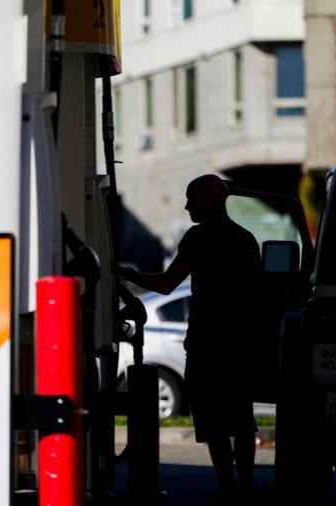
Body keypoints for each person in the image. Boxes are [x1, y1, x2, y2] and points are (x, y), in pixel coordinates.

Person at [111, 173, 261, 503]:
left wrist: (123, 273)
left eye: (192, 199)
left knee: (213, 420)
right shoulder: (246, 239)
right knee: (241, 415)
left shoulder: (198, 238)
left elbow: (166, 284)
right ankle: (247, 482)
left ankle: (226, 484)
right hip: (239, 343)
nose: (187, 205)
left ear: (208, 200)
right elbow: (258, 294)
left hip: (206, 343)